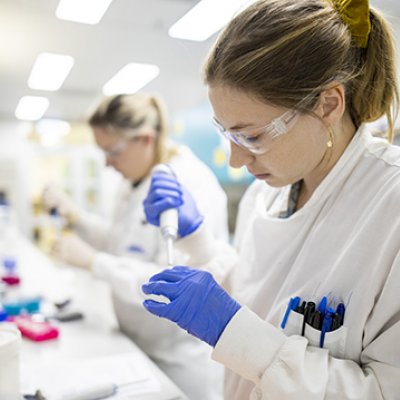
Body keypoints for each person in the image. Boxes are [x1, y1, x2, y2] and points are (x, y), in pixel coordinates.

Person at [141, 0, 400, 399]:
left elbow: (384, 390)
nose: (236, 159)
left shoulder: (390, 203)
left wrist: (238, 335)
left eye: (252, 136)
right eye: (226, 134)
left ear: (328, 104)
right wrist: (198, 242)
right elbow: (259, 296)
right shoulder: (266, 192)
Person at [42, 92, 233, 400]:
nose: (107, 163)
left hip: (178, 360)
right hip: (134, 346)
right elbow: (122, 243)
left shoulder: (190, 183)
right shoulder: (129, 180)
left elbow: (170, 285)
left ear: (145, 139)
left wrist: (94, 262)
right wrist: (77, 218)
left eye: (113, 151)